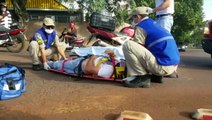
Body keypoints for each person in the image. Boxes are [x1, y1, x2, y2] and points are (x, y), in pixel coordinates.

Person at [123, 6, 180, 88]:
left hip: (162, 67)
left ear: (138, 17)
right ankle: (156, 76)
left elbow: (139, 47)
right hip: (173, 67)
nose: (132, 20)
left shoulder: (141, 26)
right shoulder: (154, 24)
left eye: (133, 18)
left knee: (128, 45)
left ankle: (141, 77)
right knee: (152, 48)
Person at [48, 49, 117, 78]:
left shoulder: (108, 71)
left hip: (77, 66)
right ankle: (52, 61)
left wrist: (93, 57)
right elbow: (112, 55)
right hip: (82, 60)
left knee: (58, 65)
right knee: (63, 62)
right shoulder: (115, 62)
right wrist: (111, 54)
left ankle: (47, 63)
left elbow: (89, 68)